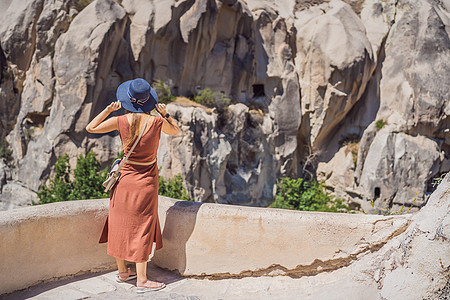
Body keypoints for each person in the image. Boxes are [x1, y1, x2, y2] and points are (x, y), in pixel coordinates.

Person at [86, 78, 180, 293]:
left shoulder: (121, 120)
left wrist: (108, 110)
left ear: (127, 99)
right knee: (142, 227)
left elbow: (91, 128)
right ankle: (142, 279)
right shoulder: (157, 122)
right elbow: (175, 131)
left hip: (124, 180)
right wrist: (164, 113)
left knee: (119, 224)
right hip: (146, 182)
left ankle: (123, 272)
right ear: (149, 101)